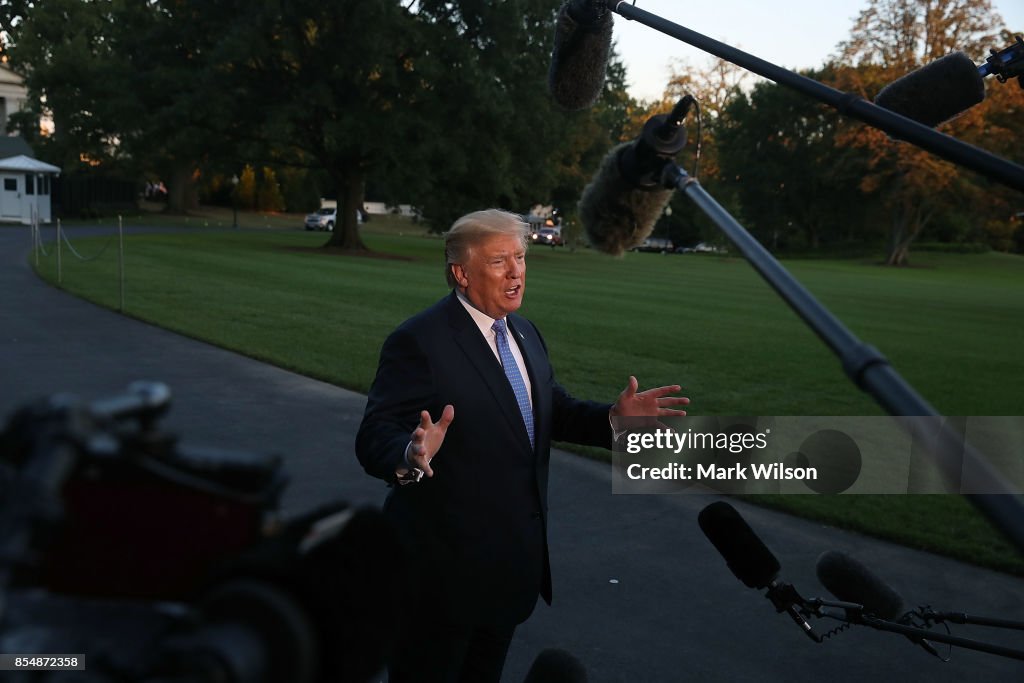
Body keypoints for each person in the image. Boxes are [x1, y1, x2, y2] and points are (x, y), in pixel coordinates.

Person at [355, 209, 688, 683]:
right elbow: (375, 434)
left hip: (508, 577)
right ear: (461, 273)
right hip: (438, 583)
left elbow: (550, 409)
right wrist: (411, 454)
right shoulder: (419, 341)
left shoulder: (525, 334)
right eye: (498, 262)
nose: (516, 272)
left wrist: (615, 421)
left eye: (520, 258)